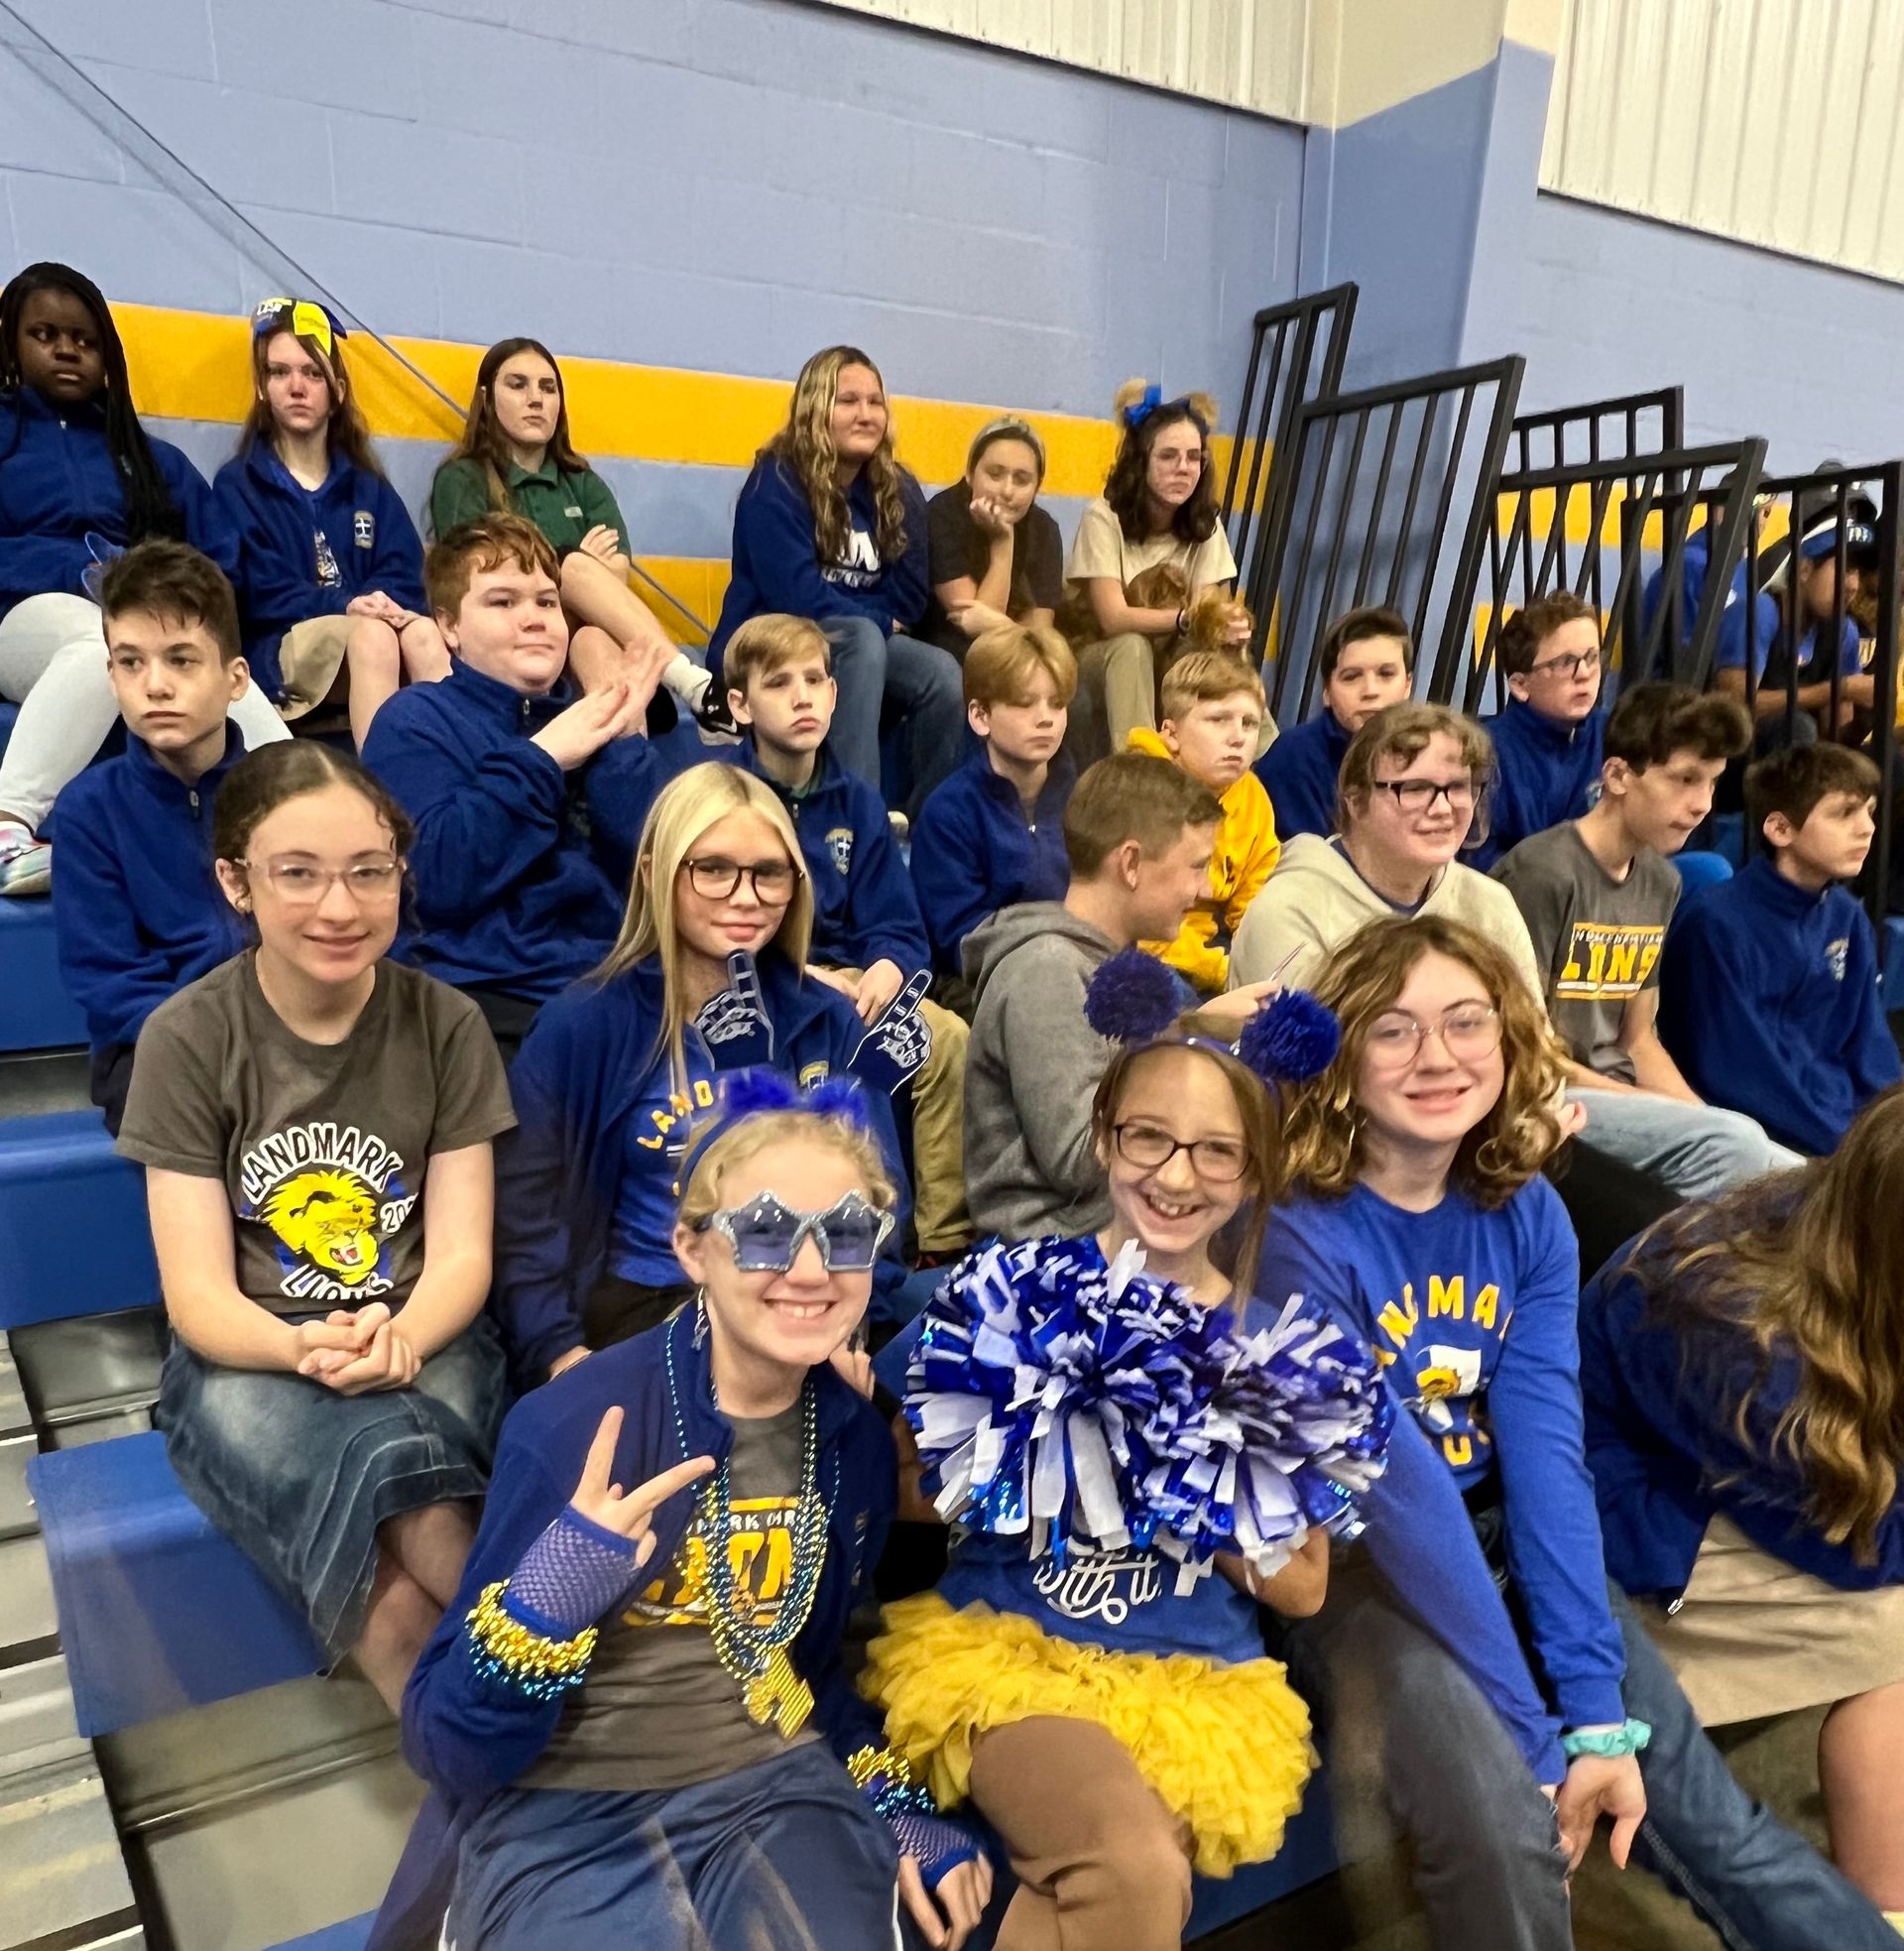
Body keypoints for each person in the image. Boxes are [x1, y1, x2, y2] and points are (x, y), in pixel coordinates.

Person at [1263, 915, 1898, 1951]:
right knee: (1512, 1822)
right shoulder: (1297, 1230)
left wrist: (1598, 1709)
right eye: (1394, 1029)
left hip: (1501, 1524)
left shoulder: (1526, 1215)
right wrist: (1539, 1730)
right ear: (1338, 1053)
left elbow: (1547, 1463)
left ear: (1512, 1041)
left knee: (1710, 1825)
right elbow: (1404, 1497)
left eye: (1467, 1021)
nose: (1438, 1055)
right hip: (1365, 1568)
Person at [383, 1085, 990, 1951]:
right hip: (568, 1807)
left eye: (847, 1232)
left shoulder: (851, 1437)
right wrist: (546, 1604)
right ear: (692, 1248)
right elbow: (446, 1742)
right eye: (768, 1231)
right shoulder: (575, 1426)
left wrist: (895, 1807)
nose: (812, 1271)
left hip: (771, 1782)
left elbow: (808, 1677)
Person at [865, 984, 1386, 1951]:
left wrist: (1170, 1461)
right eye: (1149, 1136)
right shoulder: (1014, 1292)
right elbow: (895, 1490)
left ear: (1250, 1174)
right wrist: (1051, 1440)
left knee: (1099, 1899)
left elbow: (1304, 1584)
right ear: (1105, 1137)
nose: (1177, 1173)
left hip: (1201, 1689)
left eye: (1215, 1150)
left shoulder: (1278, 1350)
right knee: (1136, 1868)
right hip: (1016, 1661)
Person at [115, 741, 514, 1713]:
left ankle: (508, 1768)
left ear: (398, 876)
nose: (339, 906)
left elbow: (462, 1250)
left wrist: (407, 1332)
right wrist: (300, 1343)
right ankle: (564, 1736)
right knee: (393, 1533)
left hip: (424, 1325)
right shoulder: (188, 1035)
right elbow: (199, 1293)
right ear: (235, 880)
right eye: (297, 872)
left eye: (369, 872)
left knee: (408, 1492)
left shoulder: (447, 1022)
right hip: (251, 1349)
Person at [1580, 1088, 1904, 1926]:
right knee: (1896, 1627)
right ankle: (1881, 1912)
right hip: (1635, 1532)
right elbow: (1861, 1532)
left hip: (1771, 1482)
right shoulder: (1736, 1336)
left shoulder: (1848, 1226)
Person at [493, 764, 920, 1386]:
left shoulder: (827, 1021)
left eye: (769, 873)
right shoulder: (582, 1025)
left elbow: (881, 1200)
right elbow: (523, 1221)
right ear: (655, 874)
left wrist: (849, 1330)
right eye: (714, 869)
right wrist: (560, 1354)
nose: (745, 897)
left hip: (809, 1298)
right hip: (649, 1307)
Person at [0, 261, 286, 895]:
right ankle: (7, 824)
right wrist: (74, 569)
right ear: (13, 346)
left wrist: (159, 586)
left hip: (143, 618)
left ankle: (301, 826)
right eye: (45, 335)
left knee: (223, 676)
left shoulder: (153, 459)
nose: (68, 349)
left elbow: (219, 560)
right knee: (106, 642)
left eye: (85, 340)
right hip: (24, 619)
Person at [360, 515, 673, 1061]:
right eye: (503, 603)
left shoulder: (590, 718)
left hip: (615, 991)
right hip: (486, 1000)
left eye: (547, 603)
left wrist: (623, 739)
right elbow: (434, 880)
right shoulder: (413, 721)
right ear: (449, 628)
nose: (534, 620)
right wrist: (546, 757)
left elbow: (657, 871)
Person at [1492, 680, 1803, 1199]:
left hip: (1620, 1092)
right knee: (1740, 1150)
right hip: (1547, 1097)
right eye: (1685, 779)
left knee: (1800, 1177)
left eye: (1711, 782)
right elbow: (1528, 1051)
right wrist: (1682, 1121)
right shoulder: (1541, 872)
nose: (1703, 804)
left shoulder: (1663, 881)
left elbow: (1638, 1039)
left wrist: (1703, 1119)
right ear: (1617, 775)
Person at [725, 612, 972, 1258]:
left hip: (853, 980)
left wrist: (889, 964)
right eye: (779, 683)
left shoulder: (858, 801)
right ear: (739, 704)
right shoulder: (720, 795)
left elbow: (896, 921)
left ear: (837, 695)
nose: (803, 695)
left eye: (815, 679)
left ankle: (938, 1246)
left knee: (943, 1040)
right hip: (755, 980)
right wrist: (797, 973)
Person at [962, 751, 1275, 1243]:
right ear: (1130, 863)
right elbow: (1078, 1157)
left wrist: (1200, 1029)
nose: (1205, 888)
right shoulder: (1046, 971)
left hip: (1122, 1235)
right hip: (1050, 1263)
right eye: (1196, 865)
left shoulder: (1128, 968)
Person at [706, 345, 963, 818]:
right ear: (815, 407)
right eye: (848, 401)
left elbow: (910, 595)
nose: (866, 414)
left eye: (875, 402)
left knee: (941, 674)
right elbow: (796, 596)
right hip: (766, 635)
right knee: (862, 638)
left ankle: (929, 821)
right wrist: (877, 620)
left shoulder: (898, 488)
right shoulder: (776, 481)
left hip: (865, 639)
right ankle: (851, 817)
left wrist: (877, 621)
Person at [52, 543, 252, 1133]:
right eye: (131, 662)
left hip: (286, 1033)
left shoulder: (283, 797)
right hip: (152, 1050)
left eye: (182, 660)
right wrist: (228, 1045)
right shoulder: (90, 810)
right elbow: (109, 979)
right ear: (110, 675)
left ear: (234, 679)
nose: (155, 686)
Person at [428, 335, 708, 721]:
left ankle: (634, 764)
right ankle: (683, 676)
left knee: (594, 640)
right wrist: (573, 569)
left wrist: (566, 572)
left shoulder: (582, 481)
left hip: (574, 633)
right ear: (487, 400)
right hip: (505, 633)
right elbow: (482, 579)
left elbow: (615, 575)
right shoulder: (463, 478)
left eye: (548, 387)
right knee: (577, 568)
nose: (536, 398)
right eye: (517, 384)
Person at [213, 298, 446, 747]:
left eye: (312, 373)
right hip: (283, 649)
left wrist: (374, 603)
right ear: (262, 387)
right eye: (280, 372)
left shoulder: (366, 485)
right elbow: (256, 590)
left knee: (424, 635)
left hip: (366, 631)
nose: (297, 386)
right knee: (374, 637)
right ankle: (385, 790)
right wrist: (344, 605)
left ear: (337, 388)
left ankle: (446, 780)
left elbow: (406, 572)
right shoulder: (239, 484)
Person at [1660, 743, 1899, 1155]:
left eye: (1870, 812)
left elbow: (1870, 1045)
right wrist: (1848, 1152)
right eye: (1845, 813)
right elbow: (1739, 1076)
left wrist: (1889, 1127)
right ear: (1780, 830)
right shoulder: (1714, 925)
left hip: (1844, 1130)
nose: (1867, 828)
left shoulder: (1847, 916)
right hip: (1771, 1139)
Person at [1231, 704, 1539, 997]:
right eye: (1416, 789)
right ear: (1355, 800)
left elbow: (1533, 1041)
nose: (1444, 808)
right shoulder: (1289, 912)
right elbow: (1299, 1050)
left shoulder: (1490, 904)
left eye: (1458, 787)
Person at [1062, 380, 1247, 761]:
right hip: (1101, 657)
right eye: (1169, 456)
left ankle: (1243, 766)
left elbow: (1208, 615)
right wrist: (1185, 619)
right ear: (1141, 461)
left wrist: (1229, 628)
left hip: (1171, 656)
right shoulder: (1104, 516)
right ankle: (1142, 769)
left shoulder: (1206, 522)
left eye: (1194, 457)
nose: (1183, 468)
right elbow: (1113, 619)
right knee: (1132, 648)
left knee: (1216, 653)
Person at [910, 619, 1075, 988]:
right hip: (982, 984)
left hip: (1077, 967)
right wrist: (1053, 950)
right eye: (1024, 704)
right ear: (980, 716)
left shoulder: (1084, 800)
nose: (1046, 718)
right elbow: (961, 939)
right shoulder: (948, 812)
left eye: (1057, 703)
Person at [1128, 651, 1279, 993]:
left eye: (1249, 723)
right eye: (1218, 720)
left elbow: (1255, 902)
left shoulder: (1252, 796)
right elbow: (1141, 924)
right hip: (1144, 953)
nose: (1238, 737)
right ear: (1171, 733)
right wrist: (1221, 971)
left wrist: (1255, 961)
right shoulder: (1139, 790)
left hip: (1214, 952)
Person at [1468, 590, 1606, 871]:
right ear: (1520, 685)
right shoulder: (1487, 751)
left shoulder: (1615, 732)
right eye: (1565, 662)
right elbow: (1475, 860)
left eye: (1592, 657)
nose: (1584, 673)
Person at [1252, 605, 1413, 842]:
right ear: (1326, 692)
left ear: (1408, 685)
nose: (1370, 691)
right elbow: (1310, 866)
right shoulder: (1293, 758)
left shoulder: (1430, 753)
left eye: (1386, 674)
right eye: (1352, 677)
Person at [918, 415, 1063, 658]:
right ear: (970, 473)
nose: (1007, 491)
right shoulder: (942, 514)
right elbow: (974, 628)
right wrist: (1002, 543)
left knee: (1073, 691)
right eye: (995, 475)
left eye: (1022, 480)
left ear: (1037, 487)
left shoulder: (1045, 529)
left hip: (1018, 654)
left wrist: (999, 625)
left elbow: (1039, 636)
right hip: (949, 647)